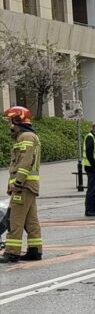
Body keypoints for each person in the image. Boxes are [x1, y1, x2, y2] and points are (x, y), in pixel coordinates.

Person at [1, 106, 43, 263]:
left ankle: (12, 252)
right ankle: (35, 250)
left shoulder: (25, 137)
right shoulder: (30, 136)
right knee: (31, 221)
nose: (9, 125)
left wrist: (18, 182)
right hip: (29, 186)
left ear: (17, 120)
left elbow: (25, 162)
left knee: (14, 220)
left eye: (10, 121)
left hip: (23, 186)